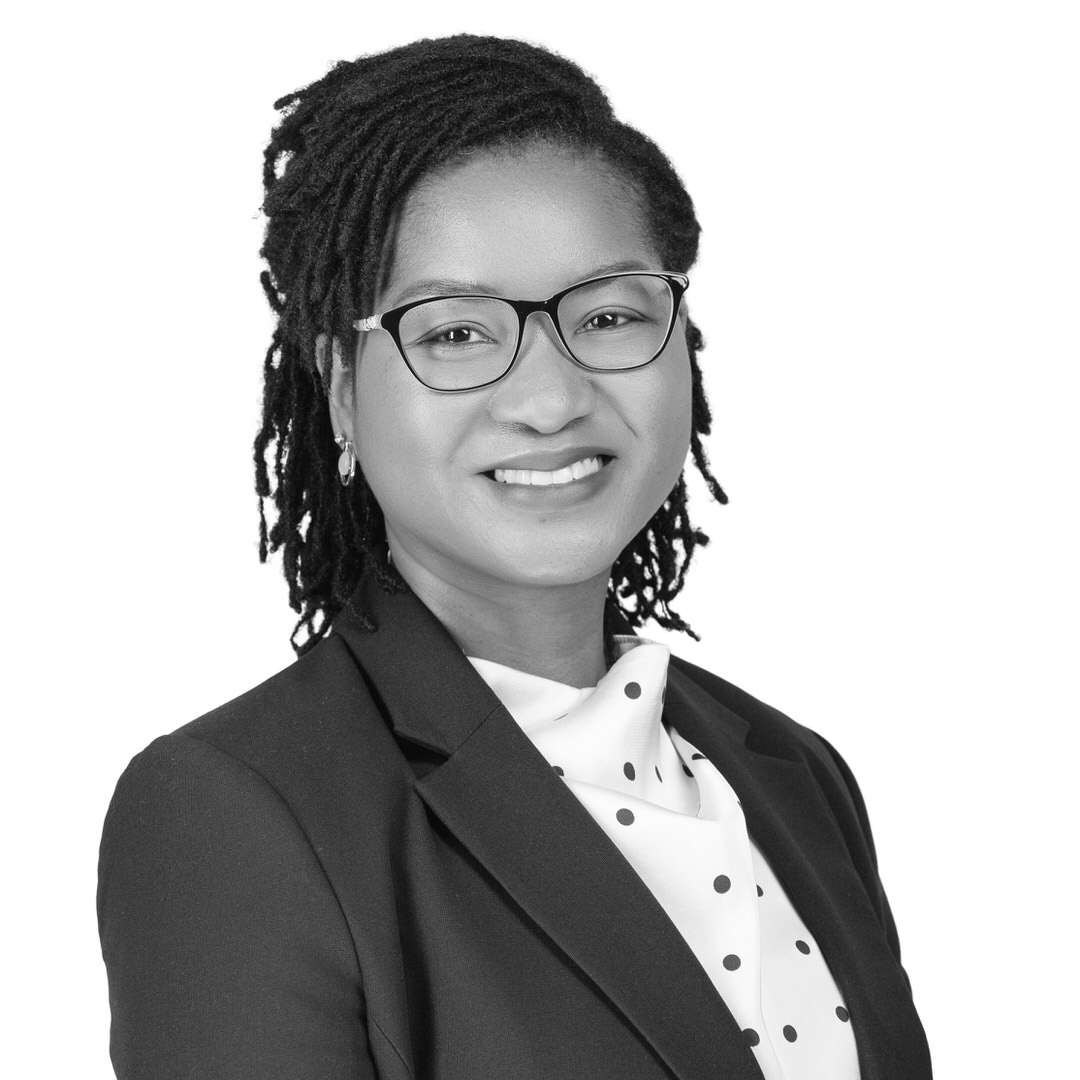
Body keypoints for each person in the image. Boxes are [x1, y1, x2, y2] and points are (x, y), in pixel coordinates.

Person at [96, 35, 932, 1080]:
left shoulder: (795, 773)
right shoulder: (236, 815)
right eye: (455, 334)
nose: (550, 397)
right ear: (344, 390)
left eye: (612, 314)